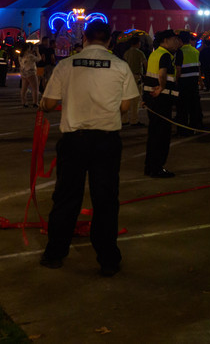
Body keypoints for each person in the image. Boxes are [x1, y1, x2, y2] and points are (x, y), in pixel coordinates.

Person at [40, 21, 138, 276]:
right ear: (109, 41)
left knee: (66, 197)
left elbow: (49, 103)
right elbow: (125, 108)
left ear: (84, 39)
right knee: (105, 200)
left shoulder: (66, 65)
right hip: (106, 140)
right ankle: (107, 259)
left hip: (74, 140)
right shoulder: (120, 66)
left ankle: (55, 253)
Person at [141, 29, 179, 178]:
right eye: (174, 40)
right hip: (161, 99)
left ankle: (150, 166)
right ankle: (157, 167)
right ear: (165, 41)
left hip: (152, 99)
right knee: (162, 136)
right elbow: (162, 73)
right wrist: (161, 87)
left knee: (154, 134)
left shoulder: (154, 54)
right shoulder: (165, 55)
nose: (177, 43)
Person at [173, 31, 202, 136]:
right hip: (193, 82)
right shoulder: (195, 51)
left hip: (183, 82)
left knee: (182, 108)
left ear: (180, 40)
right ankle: (195, 127)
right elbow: (198, 67)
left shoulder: (179, 52)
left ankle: (182, 130)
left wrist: (175, 82)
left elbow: (178, 69)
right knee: (194, 106)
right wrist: (200, 81)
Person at [121, 34, 147, 126]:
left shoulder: (126, 53)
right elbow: (145, 64)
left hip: (126, 77)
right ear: (137, 43)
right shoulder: (139, 53)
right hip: (136, 77)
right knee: (135, 100)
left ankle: (124, 120)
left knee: (126, 98)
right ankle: (134, 120)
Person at [19, 42, 41, 108]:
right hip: (31, 72)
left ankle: (24, 102)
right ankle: (35, 102)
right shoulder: (30, 56)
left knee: (24, 89)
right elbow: (39, 59)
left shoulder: (20, 56)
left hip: (23, 73)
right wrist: (37, 52)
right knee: (35, 88)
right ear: (28, 48)